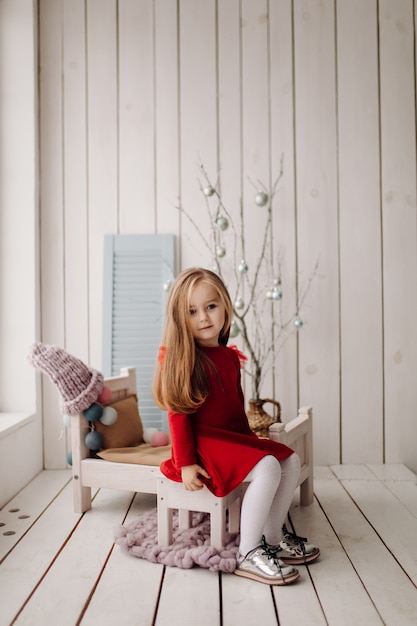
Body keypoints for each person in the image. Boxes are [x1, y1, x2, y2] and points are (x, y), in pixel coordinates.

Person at [153, 267, 319, 585]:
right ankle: (248, 552)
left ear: (225, 306)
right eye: (192, 311)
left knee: (289, 459)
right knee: (268, 467)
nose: (203, 317)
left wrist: (249, 442)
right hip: (200, 444)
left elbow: (234, 409)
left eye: (210, 306)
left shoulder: (228, 357)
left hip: (228, 439)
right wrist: (185, 463)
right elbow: (177, 415)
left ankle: (272, 538)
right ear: (179, 317)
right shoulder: (184, 359)